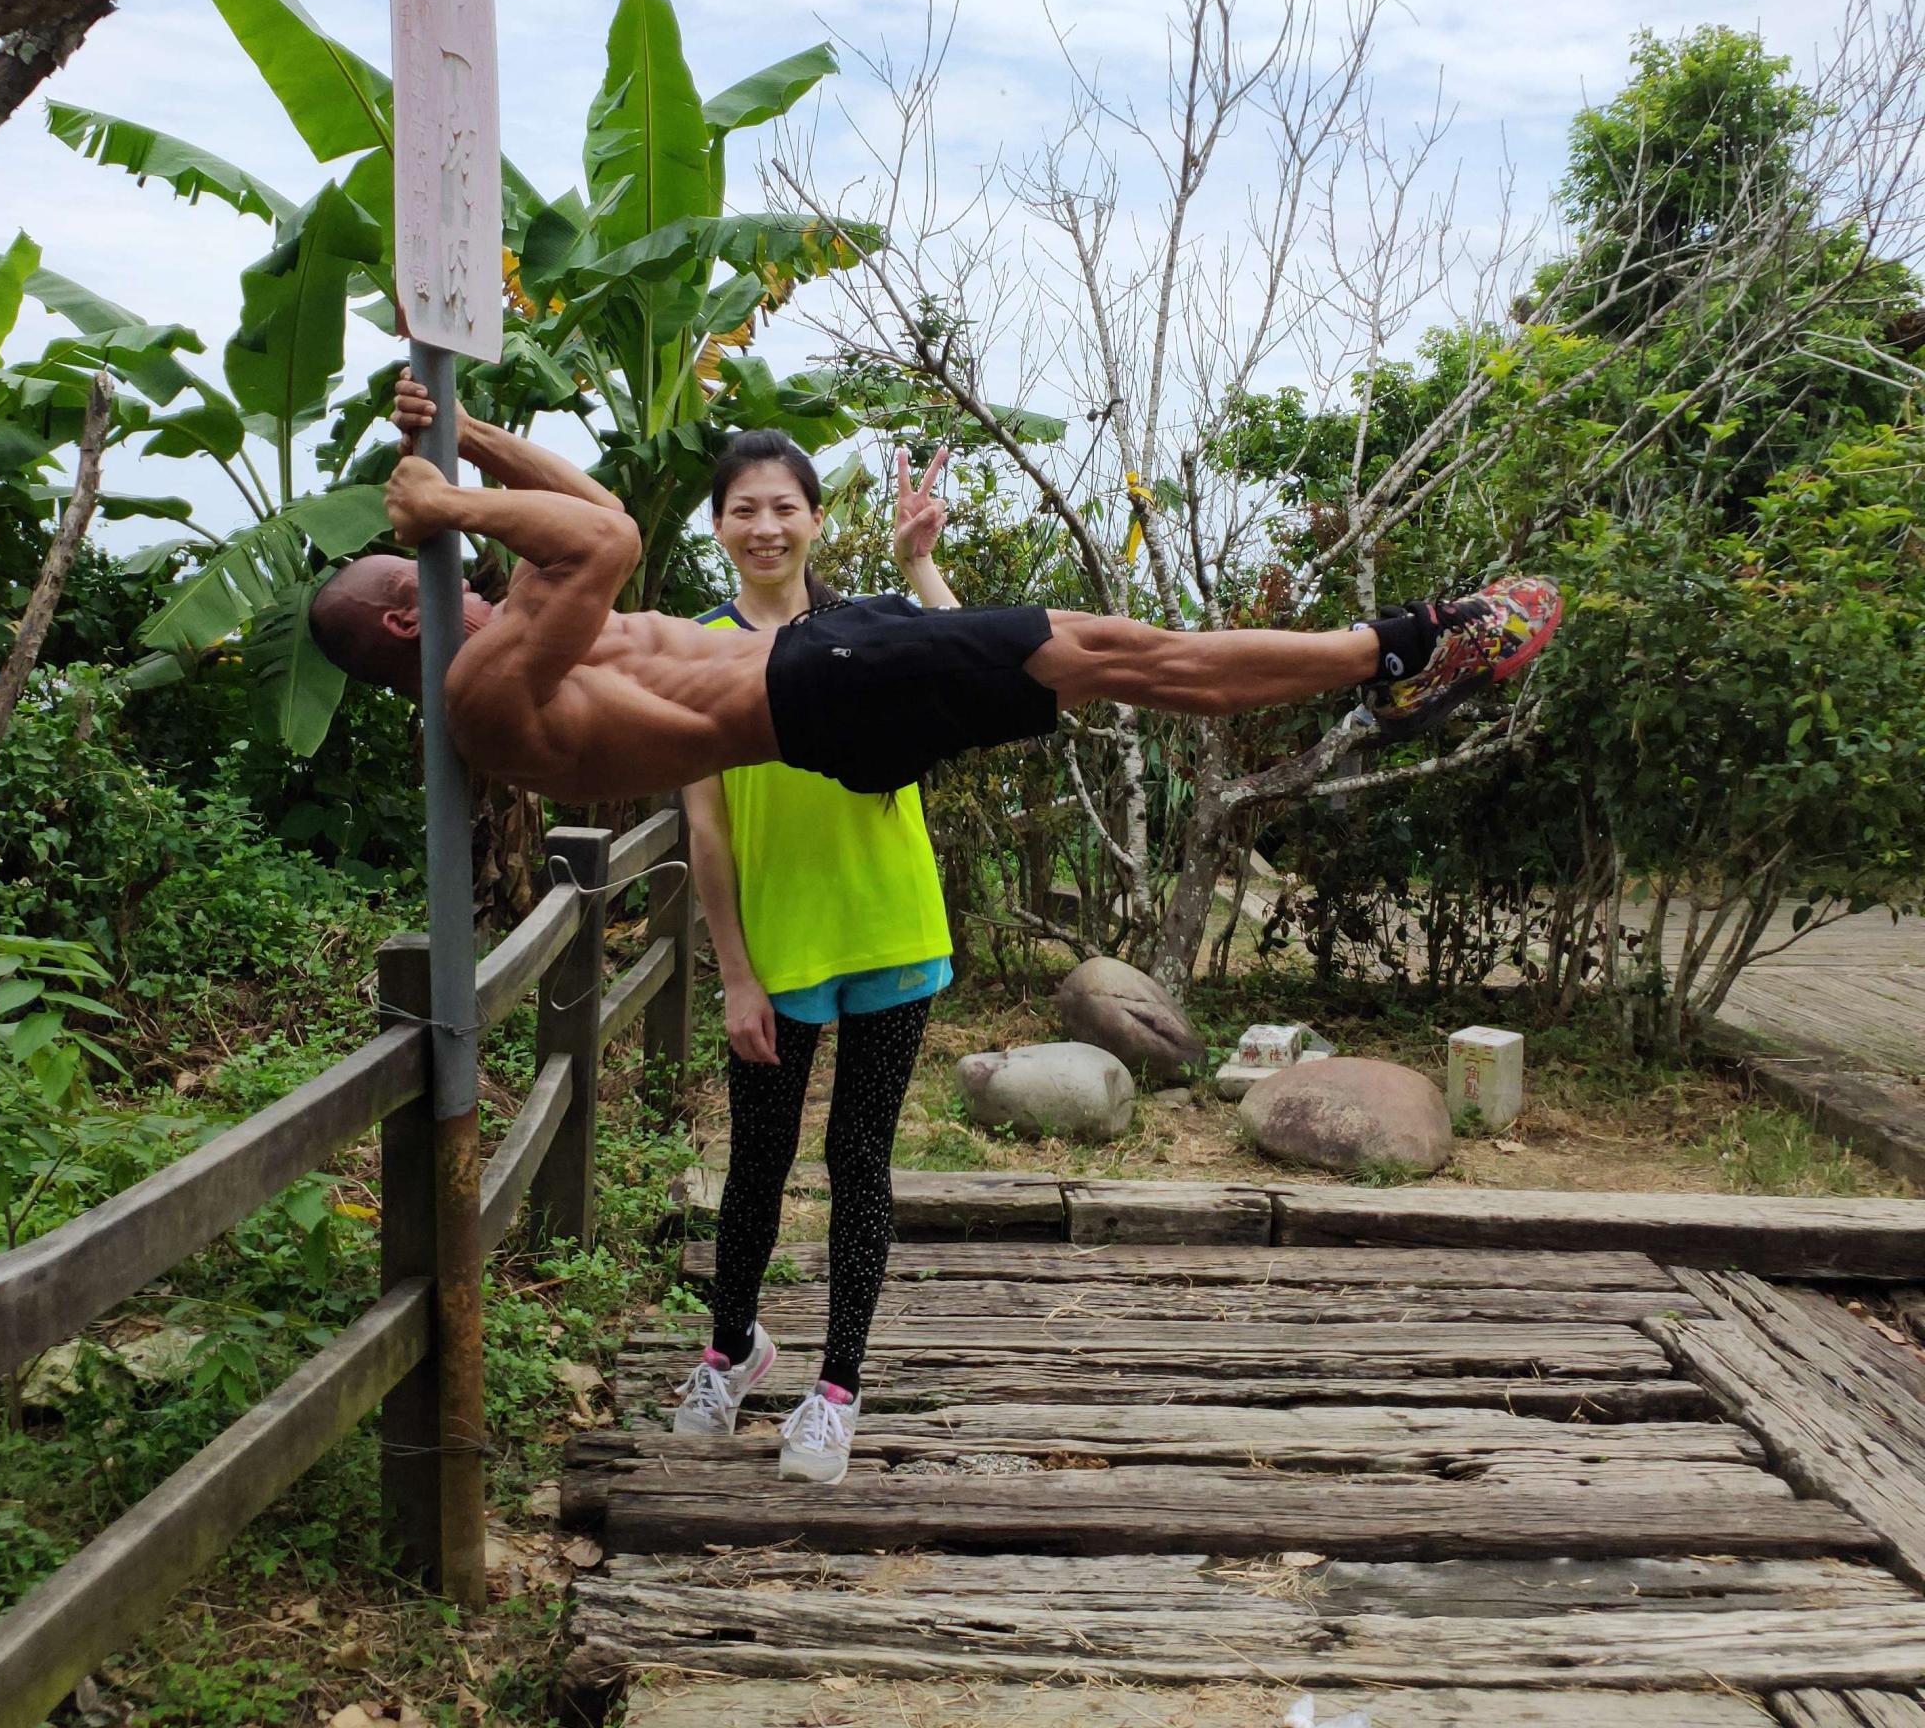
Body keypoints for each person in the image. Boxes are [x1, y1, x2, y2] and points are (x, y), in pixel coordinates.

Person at [311, 374, 1561, 807]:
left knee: (1109, 649)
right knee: (1113, 649)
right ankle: (1402, 649)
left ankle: (1396, 656)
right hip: (814, 693)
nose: (470, 565)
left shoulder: (510, 646)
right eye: (434, 567)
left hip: (825, 663)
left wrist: (468, 438)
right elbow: (605, 540)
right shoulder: (483, 693)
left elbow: (577, 516)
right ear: (405, 617)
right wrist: (449, 503)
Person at [669, 429, 961, 1483]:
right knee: (756, 1157)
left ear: (813, 519)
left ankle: (836, 1386)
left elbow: (968, 666)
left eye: (782, 506)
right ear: (717, 525)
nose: (763, 526)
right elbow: (706, 829)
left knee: (857, 1158)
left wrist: (918, 558)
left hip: (887, 926)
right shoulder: (695, 646)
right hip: (779, 945)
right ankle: (731, 1347)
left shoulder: (866, 626)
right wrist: (734, 972)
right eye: (743, 508)